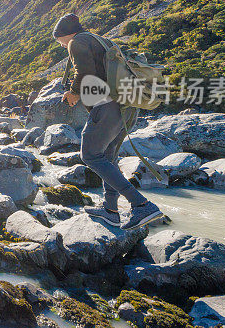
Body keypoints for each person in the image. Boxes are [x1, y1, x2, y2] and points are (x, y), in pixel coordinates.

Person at [52, 13, 164, 230]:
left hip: (107, 106)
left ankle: (141, 205)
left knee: (90, 155)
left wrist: (74, 93)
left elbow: (84, 73)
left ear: (63, 35)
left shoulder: (76, 42)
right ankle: (110, 210)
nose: (60, 44)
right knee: (108, 158)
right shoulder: (101, 41)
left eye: (59, 40)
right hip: (127, 106)